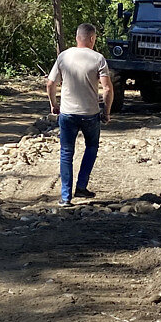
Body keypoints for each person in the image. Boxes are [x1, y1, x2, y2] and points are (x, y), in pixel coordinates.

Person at [46, 23, 114, 205]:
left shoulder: (64, 56)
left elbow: (50, 84)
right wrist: (106, 112)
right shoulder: (98, 59)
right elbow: (107, 88)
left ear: (77, 38)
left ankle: (65, 197)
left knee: (66, 152)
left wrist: (54, 105)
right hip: (90, 114)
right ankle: (82, 186)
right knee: (91, 147)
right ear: (92, 39)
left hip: (67, 113)